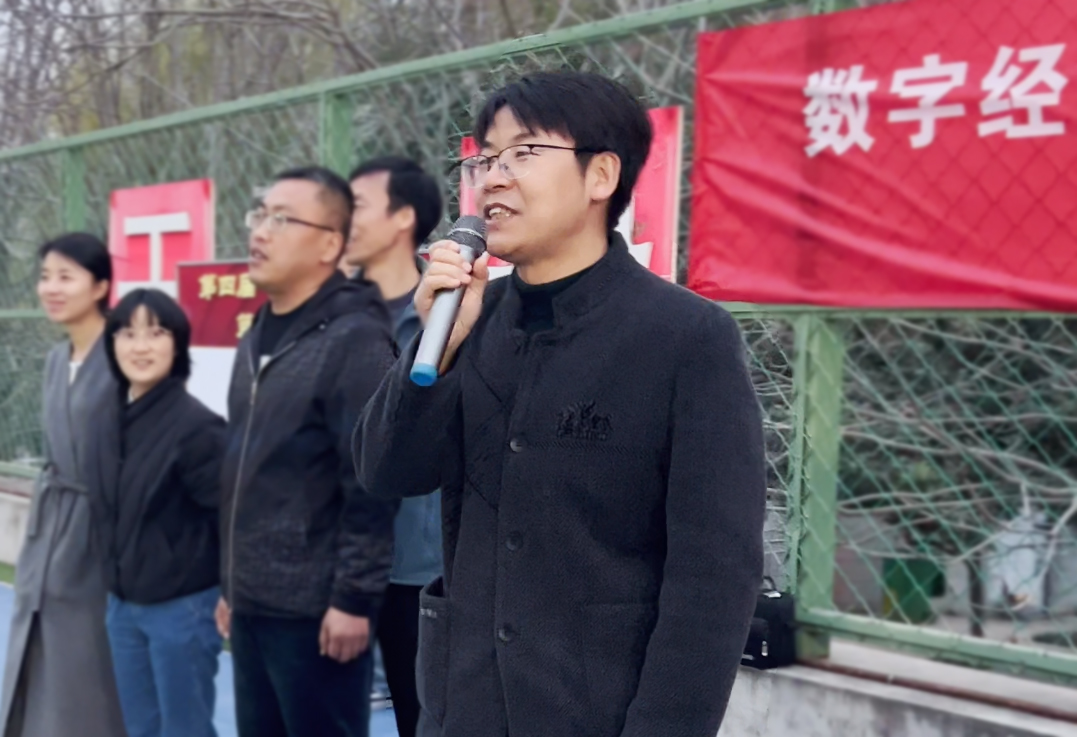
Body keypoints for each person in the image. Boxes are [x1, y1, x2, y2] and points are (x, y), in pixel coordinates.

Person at [356, 70, 767, 737]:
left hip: (596, 712)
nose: (493, 178)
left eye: (522, 153)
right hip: (463, 708)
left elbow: (714, 575)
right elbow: (386, 471)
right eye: (486, 158)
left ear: (600, 175)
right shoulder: (469, 320)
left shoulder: (686, 337)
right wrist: (435, 353)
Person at [217, 165, 399, 737]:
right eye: (259, 216)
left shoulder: (356, 338)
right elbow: (244, 468)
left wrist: (354, 599)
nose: (259, 232)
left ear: (328, 244)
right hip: (251, 601)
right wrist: (230, 585)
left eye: (281, 219)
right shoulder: (258, 333)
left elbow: (371, 481)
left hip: (316, 614)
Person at [0, 233, 127, 737]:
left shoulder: (124, 357)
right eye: (45, 277)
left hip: (101, 537)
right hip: (49, 529)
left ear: (100, 286)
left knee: (89, 665)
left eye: (66, 277)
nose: (51, 288)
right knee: (37, 647)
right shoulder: (57, 359)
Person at [85, 288, 225, 737]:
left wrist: (229, 593)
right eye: (128, 334)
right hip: (122, 606)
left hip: (182, 609)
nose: (140, 346)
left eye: (156, 332)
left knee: (185, 728)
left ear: (177, 343)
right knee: (139, 727)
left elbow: (231, 517)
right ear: (112, 344)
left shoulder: (199, 427)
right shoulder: (105, 419)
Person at [345, 156, 444, 737]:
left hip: (413, 565)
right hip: (331, 557)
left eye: (356, 205)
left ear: (403, 216)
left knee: (420, 711)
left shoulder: (449, 309)